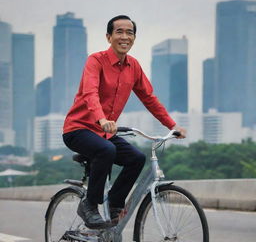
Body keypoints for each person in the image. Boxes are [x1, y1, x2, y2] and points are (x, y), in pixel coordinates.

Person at [62, 15, 186, 229]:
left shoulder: (133, 66)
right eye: (119, 31)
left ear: (134, 38)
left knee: (136, 158)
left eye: (130, 32)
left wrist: (172, 126)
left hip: (105, 133)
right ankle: (89, 205)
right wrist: (101, 118)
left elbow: (149, 98)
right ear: (109, 37)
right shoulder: (96, 60)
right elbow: (90, 92)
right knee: (106, 150)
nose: (125, 36)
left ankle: (115, 205)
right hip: (78, 129)